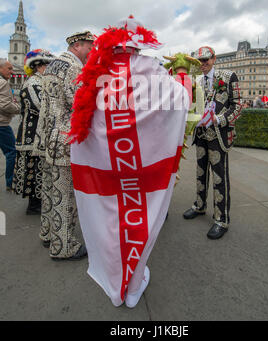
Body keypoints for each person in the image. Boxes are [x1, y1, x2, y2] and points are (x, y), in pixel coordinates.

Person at [69, 16, 189, 307]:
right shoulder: (151, 70)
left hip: (107, 172)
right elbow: (181, 100)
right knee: (140, 221)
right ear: (138, 47)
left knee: (110, 223)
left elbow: (83, 119)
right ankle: (133, 286)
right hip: (143, 170)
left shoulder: (96, 74)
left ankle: (115, 282)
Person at [35, 31, 94, 260]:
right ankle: (64, 246)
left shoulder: (52, 66)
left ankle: (48, 233)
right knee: (65, 196)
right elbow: (80, 105)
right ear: (77, 45)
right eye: (90, 46)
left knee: (50, 192)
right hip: (65, 142)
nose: (92, 52)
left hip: (49, 139)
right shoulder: (73, 68)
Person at [183, 46, 242, 239]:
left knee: (219, 178)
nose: (203, 64)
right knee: (200, 174)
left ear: (214, 59)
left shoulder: (228, 75)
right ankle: (200, 206)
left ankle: (221, 219)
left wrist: (220, 119)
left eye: (206, 60)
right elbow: (193, 106)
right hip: (201, 135)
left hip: (219, 135)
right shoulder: (197, 81)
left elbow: (238, 105)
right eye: (200, 61)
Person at [12, 49, 54, 214]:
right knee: (33, 170)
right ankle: (34, 205)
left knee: (38, 169)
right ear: (39, 66)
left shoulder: (40, 82)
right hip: (31, 135)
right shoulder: (33, 83)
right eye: (47, 66)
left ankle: (37, 203)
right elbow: (40, 106)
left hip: (38, 133)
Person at [0, 59, 21, 191]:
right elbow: (5, 105)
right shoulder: (3, 83)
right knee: (11, 152)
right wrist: (19, 108)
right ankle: (10, 182)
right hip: (2, 124)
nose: (12, 72)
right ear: (1, 69)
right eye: (9, 69)